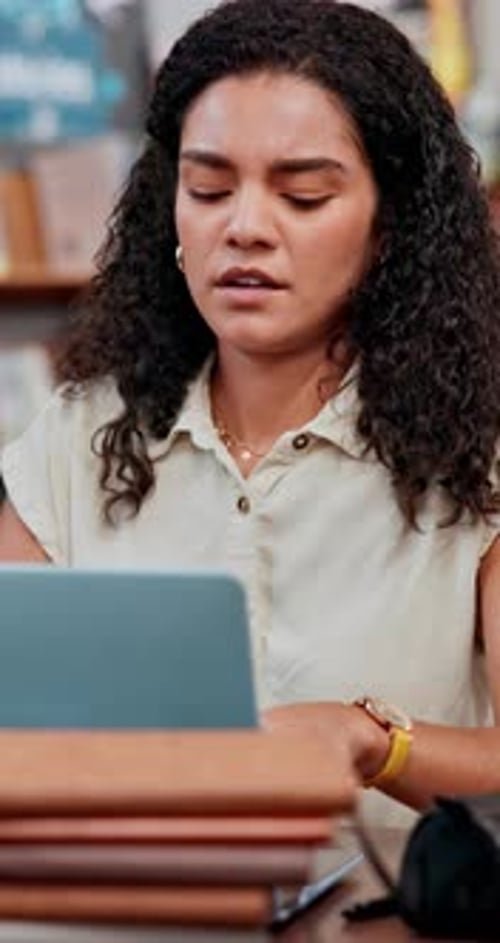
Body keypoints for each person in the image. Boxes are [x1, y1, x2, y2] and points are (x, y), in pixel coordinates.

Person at [1, 0, 500, 825]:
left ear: (389, 229)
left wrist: (372, 741)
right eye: (208, 188)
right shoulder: (75, 440)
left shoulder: (475, 450)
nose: (244, 228)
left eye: (302, 197)